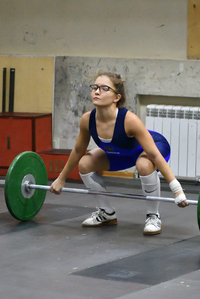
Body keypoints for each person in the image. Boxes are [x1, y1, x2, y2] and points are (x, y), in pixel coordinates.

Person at [49, 71, 188, 235]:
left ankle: (153, 215)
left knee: (143, 165)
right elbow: (78, 150)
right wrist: (61, 178)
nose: (97, 91)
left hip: (153, 148)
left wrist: (177, 190)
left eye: (104, 88)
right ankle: (106, 212)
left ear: (117, 97)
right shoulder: (87, 120)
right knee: (85, 163)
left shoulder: (129, 120)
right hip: (121, 153)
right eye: (94, 87)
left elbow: (155, 155)